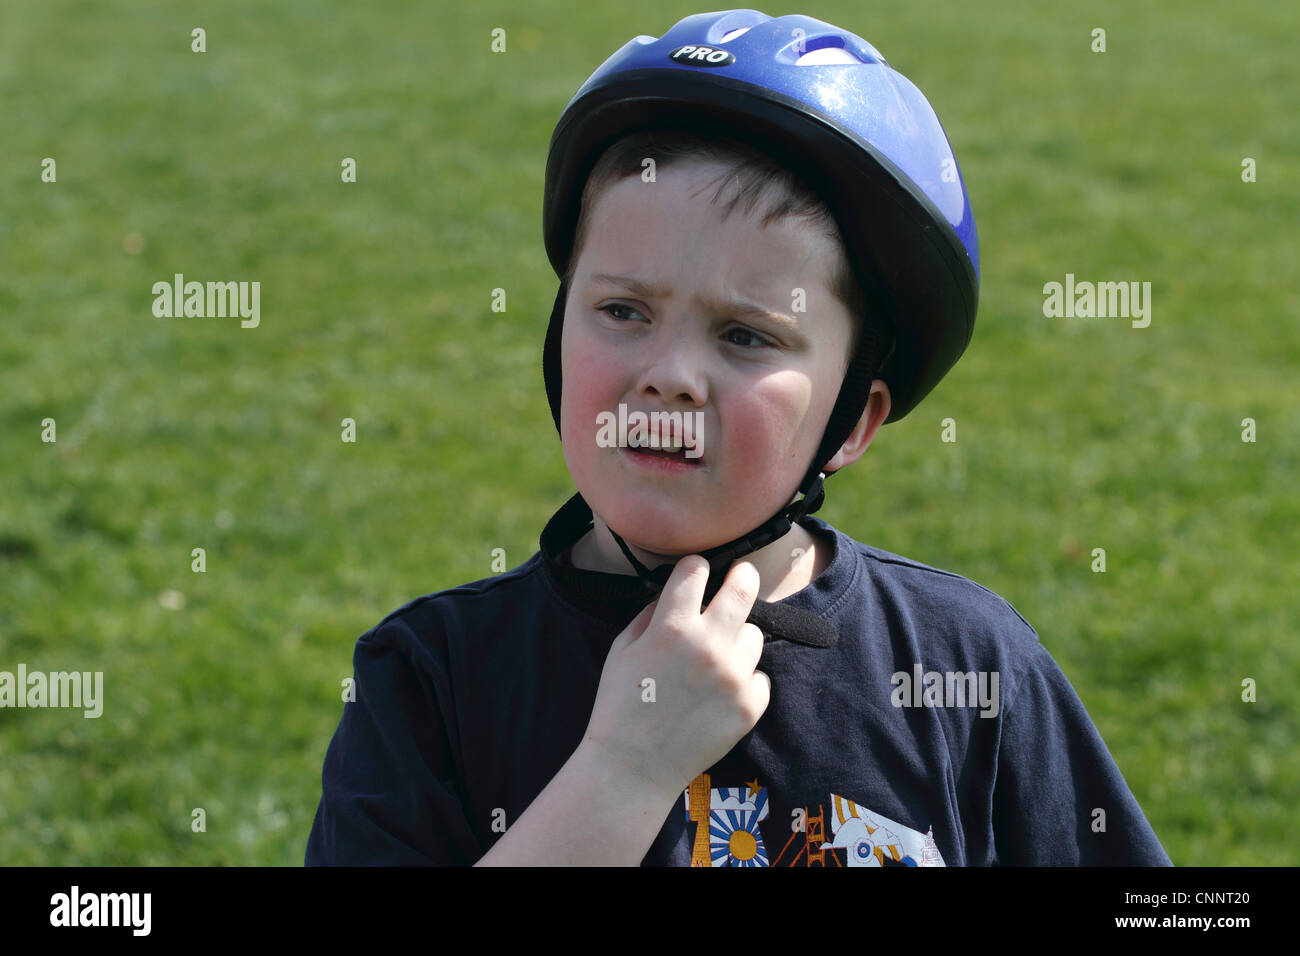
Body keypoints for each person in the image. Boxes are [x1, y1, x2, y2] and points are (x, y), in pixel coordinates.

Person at [305, 9, 1172, 866]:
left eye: (745, 335)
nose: (670, 374)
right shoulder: (433, 680)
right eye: (622, 311)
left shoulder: (966, 667)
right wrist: (622, 772)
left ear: (854, 421)